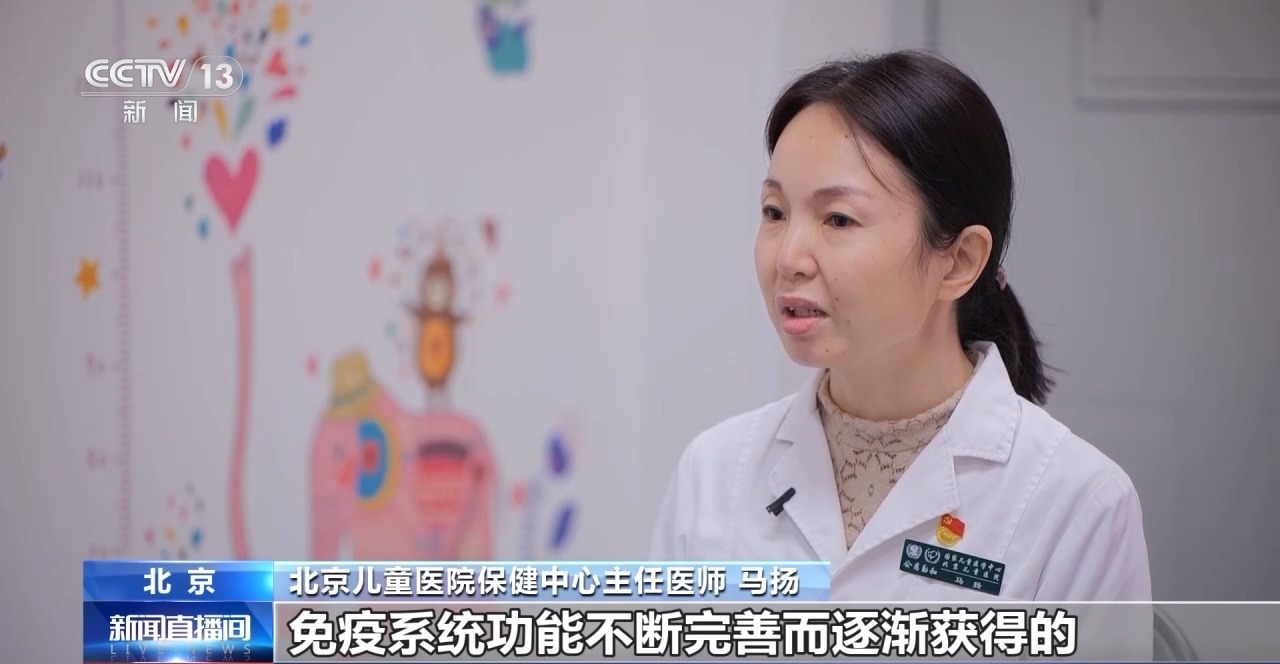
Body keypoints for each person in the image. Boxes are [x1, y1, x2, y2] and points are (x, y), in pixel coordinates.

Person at [650, 51, 1152, 603]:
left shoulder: (1078, 504)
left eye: (838, 219)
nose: (788, 258)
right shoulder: (714, 472)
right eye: (775, 212)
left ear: (959, 261)